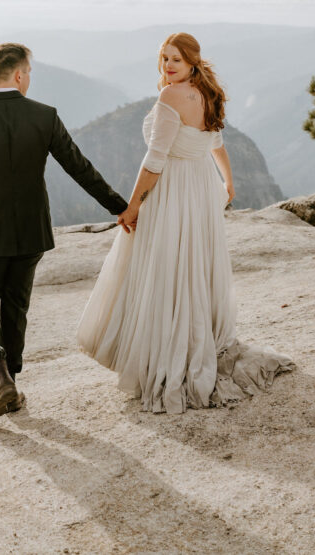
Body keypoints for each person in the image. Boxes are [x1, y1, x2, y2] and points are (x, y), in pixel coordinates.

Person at [77, 32, 294, 414]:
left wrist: (132, 205)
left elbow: (155, 161)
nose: (168, 65)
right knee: (193, 264)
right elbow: (217, 145)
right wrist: (227, 182)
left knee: (166, 267)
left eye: (176, 58)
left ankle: (168, 351)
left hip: (174, 190)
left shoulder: (169, 97)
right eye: (164, 58)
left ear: (193, 60)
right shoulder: (207, 93)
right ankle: (198, 337)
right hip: (201, 189)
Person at [0, 43, 129, 419]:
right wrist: (120, 208)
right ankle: (10, 383)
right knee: (15, 307)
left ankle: (0, 379)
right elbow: (80, 168)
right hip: (30, 234)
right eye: (29, 72)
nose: (29, 78)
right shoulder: (44, 116)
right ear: (18, 74)